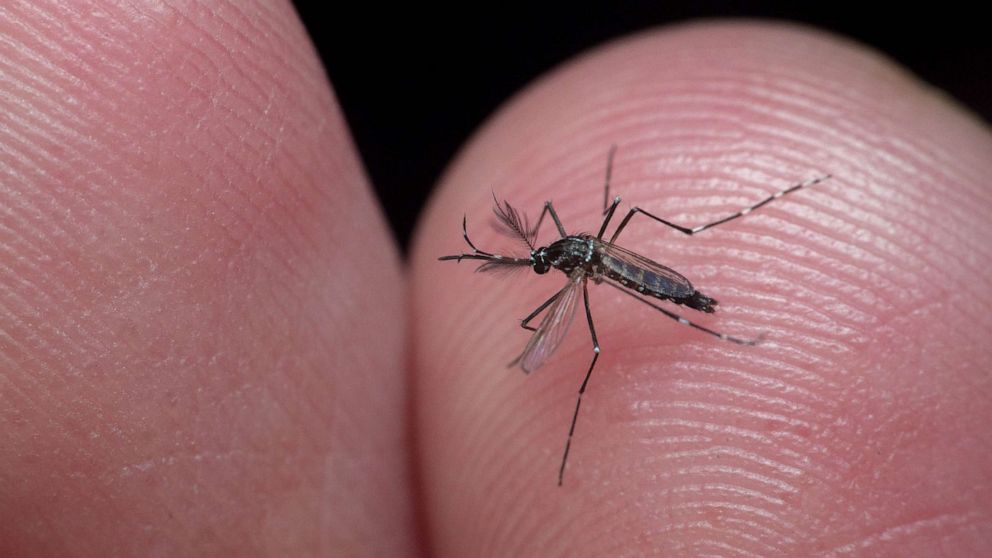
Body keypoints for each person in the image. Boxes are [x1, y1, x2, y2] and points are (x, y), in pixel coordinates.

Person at [2, 6, 989, 556]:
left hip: (641, 264)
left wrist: (652, 302)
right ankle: (716, 302)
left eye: (544, 258)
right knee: (602, 287)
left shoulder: (577, 263)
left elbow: (554, 321)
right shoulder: (564, 254)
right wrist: (541, 262)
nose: (546, 265)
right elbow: (552, 266)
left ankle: (723, 290)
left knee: (603, 325)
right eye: (549, 260)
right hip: (607, 253)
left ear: (557, 254)